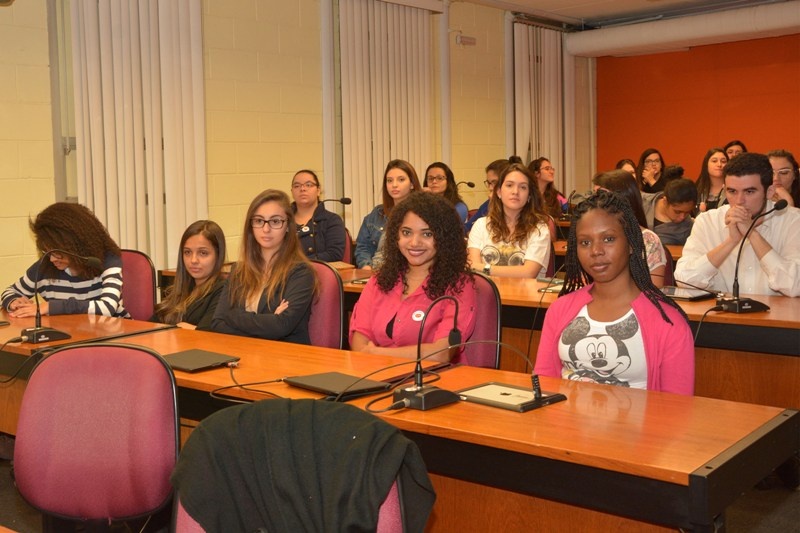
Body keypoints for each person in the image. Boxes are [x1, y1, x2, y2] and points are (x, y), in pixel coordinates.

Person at [534, 190, 694, 395]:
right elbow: (544, 386)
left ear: (630, 244)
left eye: (608, 239)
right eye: (585, 242)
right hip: (565, 425)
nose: (596, 251)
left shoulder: (668, 322)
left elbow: (677, 410)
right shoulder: (561, 309)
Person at [349, 193, 476, 362]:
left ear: (444, 238)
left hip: (434, 381)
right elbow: (359, 340)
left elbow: (441, 353)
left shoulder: (459, 285)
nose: (414, 242)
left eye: (427, 234)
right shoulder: (379, 280)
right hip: (376, 378)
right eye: (407, 232)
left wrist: (376, 353)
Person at [675, 152, 800, 297]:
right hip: (719, 318)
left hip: (777, 318)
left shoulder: (793, 222)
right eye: (732, 191)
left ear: (769, 191)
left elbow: (795, 286)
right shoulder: (707, 222)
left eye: (749, 191)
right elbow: (684, 282)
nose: (739, 200)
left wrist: (752, 233)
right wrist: (731, 241)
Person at [211, 190, 317, 343]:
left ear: (288, 225)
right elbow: (217, 323)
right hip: (243, 354)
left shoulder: (300, 272)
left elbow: (281, 326)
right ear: (251, 225)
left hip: (286, 358)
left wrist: (233, 315)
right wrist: (269, 321)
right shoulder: (239, 271)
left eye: (275, 221)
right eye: (259, 221)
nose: (266, 229)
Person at [2, 202, 129, 318]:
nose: (51, 259)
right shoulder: (45, 266)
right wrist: (13, 301)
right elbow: (10, 291)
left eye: (57, 253)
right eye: (47, 251)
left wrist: (50, 306)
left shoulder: (107, 261)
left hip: (110, 336)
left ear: (75, 246)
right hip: (68, 335)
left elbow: (107, 307)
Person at [467, 163, 551, 278]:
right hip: (487, 294)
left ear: (529, 196)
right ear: (499, 192)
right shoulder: (481, 225)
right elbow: (473, 270)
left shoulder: (539, 229)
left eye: (523, 187)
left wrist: (485, 268)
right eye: (509, 185)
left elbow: (528, 273)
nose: (515, 191)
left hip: (524, 295)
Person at [592, 170, 668, 288]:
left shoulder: (648, 240)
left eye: (602, 197)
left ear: (624, 199)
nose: (595, 203)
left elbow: (654, 292)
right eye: (593, 196)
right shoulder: (590, 236)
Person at [151, 220, 227, 330]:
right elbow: (150, 326)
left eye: (203, 253)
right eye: (187, 252)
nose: (193, 260)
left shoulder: (223, 291)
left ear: (218, 255)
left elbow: (208, 334)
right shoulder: (180, 289)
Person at [354, 160, 421, 270]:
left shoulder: (421, 215)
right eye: (389, 181)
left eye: (401, 180)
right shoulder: (377, 213)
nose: (394, 185)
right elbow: (363, 247)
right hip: (374, 272)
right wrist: (366, 267)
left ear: (412, 184)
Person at [290, 169, 346, 262]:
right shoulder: (283, 220)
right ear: (292, 192)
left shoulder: (331, 220)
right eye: (297, 186)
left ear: (318, 191)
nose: (302, 189)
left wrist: (299, 262)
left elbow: (334, 254)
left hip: (318, 273)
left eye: (308, 185)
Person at [465, 156, 521, 233]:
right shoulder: (487, 205)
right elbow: (466, 228)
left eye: (494, 182)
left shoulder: (518, 208)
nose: (490, 188)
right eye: (488, 183)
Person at [641, 178, 697, 245]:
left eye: (687, 212)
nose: (682, 217)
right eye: (677, 212)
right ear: (665, 201)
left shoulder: (688, 228)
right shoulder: (642, 202)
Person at [529, 156, 567, 221]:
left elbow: (566, 217)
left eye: (552, 169)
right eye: (547, 169)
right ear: (536, 173)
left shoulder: (558, 197)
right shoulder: (527, 196)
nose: (552, 172)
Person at [695, 148, 728, 212]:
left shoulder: (733, 190)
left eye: (723, 161)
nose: (719, 165)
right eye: (714, 161)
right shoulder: (697, 191)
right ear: (706, 165)